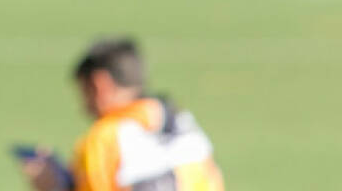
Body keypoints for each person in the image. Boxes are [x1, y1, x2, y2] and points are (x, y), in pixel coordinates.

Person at [19, 38, 224, 191]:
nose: (83, 107)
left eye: (84, 93)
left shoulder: (105, 138)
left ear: (100, 85)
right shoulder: (179, 120)